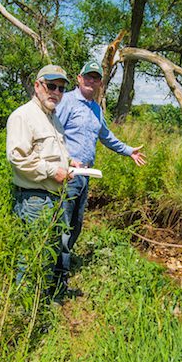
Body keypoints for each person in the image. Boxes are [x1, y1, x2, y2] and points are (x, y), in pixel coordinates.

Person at [54, 60, 147, 285]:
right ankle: (58, 281)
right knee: (63, 227)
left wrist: (129, 151)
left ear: (100, 83)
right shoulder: (66, 102)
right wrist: (67, 160)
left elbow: (106, 135)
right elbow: (54, 134)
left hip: (86, 176)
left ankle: (59, 264)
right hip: (67, 175)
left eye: (95, 78)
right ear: (79, 78)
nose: (91, 81)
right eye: (88, 76)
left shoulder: (96, 109)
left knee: (76, 225)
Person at [6, 64, 73, 297]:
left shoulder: (52, 117)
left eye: (61, 88)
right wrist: (52, 172)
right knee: (32, 256)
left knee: (45, 255)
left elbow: (52, 152)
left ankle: (37, 305)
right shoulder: (24, 116)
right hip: (34, 200)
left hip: (52, 198)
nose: (55, 92)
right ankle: (22, 311)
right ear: (37, 86)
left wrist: (70, 164)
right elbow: (18, 158)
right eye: (51, 86)